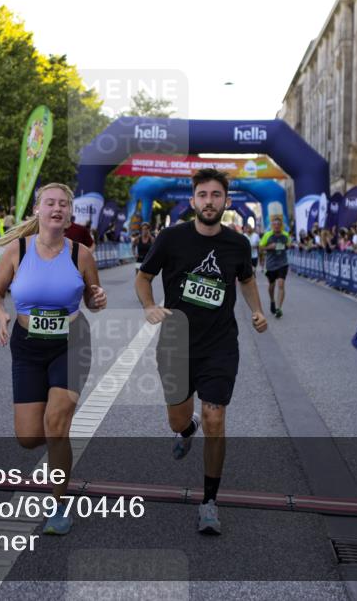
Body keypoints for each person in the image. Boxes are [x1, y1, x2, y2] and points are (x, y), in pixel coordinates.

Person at [136, 168, 268, 535]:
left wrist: (257, 310)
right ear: (193, 200)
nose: (209, 201)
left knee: (215, 419)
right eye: (203, 195)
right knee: (179, 421)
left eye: (216, 195)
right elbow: (143, 277)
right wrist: (148, 306)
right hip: (176, 344)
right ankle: (185, 428)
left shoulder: (238, 244)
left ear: (226, 200)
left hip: (220, 346)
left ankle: (209, 501)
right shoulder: (171, 238)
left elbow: (247, 279)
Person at [0, 183, 107, 535]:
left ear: (69, 214)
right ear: (37, 210)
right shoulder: (18, 249)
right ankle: (60, 446)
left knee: (56, 426)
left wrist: (98, 300)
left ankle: (58, 504)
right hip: (26, 344)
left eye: (63, 205)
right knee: (28, 436)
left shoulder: (80, 254)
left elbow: (94, 301)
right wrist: (1, 315)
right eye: (49, 203)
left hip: (71, 342)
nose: (56, 209)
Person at [259, 214, 292, 319]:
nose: (277, 225)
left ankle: (279, 308)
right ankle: (272, 300)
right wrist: (269, 247)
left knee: (281, 284)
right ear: (272, 225)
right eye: (275, 224)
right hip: (271, 264)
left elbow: (289, 245)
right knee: (272, 286)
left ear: (281, 225)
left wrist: (287, 246)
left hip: (282, 263)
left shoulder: (285, 235)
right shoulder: (267, 235)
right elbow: (260, 248)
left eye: (279, 224)